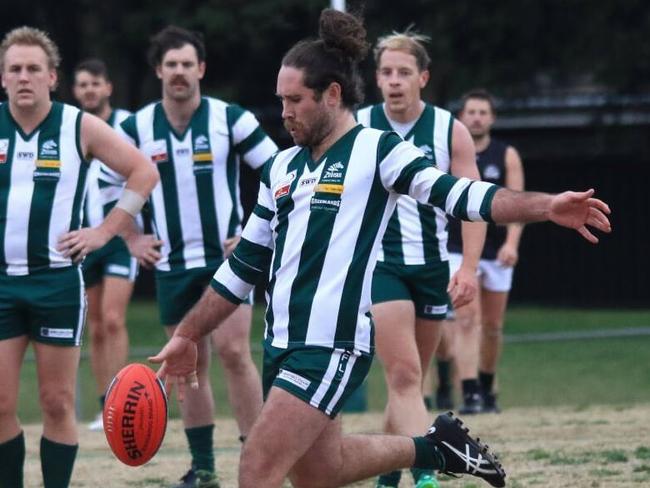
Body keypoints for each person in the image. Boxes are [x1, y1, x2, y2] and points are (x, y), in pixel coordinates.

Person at [149, 9, 610, 488]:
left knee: (256, 470)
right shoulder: (281, 168)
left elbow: (462, 194)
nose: (284, 112)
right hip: (281, 345)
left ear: (331, 95)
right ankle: (437, 448)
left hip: (330, 345)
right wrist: (186, 334)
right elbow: (243, 264)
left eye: (295, 100)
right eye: (280, 100)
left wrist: (545, 206)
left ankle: (434, 448)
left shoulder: (377, 151)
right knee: (321, 472)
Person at [119, 26, 277, 488]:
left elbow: (279, 173)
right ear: (158, 72)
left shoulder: (232, 119)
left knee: (233, 353)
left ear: (201, 69)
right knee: (187, 367)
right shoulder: (133, 128)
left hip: (226, 261)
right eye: (171, 65)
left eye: (188, 64)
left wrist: (252, 232)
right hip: (170, 265)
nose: (180, 72)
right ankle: (204, 466)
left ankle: (257, 459)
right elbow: (104, 187)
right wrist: (131, 238)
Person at [0, 27, 158, 488]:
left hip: (57, 283)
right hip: (3, 284)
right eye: (15, 69)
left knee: (56, 401)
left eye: (33, 69)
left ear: (52, 77)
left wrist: (104, 232)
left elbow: (143, 172)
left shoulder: (77, 126)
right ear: (2, 77)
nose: (24, 77)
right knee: (2, 404)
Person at [356, 31, 486, 488]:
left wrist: (468, 268)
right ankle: (426, 473)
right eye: (386, 73)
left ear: (423, 78)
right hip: (381, 267)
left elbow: (473, 202)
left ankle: (386, 479)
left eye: (404, 73)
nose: (394, 81)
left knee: (408, 383)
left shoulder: (450, 129)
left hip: (432, 267)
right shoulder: (358, 125)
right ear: (376, 79)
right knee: (406, 374)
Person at [444, 89, 526, 414]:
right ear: (461, 117)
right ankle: (470, 392)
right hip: (457, 247)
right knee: (466, 319)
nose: (476, 117)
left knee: (492, 326)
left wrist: (511, 243)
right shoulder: (450, 153)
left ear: (491, 118)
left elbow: (519, 203)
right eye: (471, 111)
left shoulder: (506, 155)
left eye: (483, 112)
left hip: (497, 252)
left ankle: (488, 384)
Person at [72, 58, 136, 431]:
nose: (89, 90)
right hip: (84, 237)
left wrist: (137, 230)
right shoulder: (70, 127)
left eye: (95, 83)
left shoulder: (127, 125)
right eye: (82, 85)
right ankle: (104, 406)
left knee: (113, 319)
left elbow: (147, 172)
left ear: (108, 88)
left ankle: (123, 398)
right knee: (94, 326)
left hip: (118, 237)